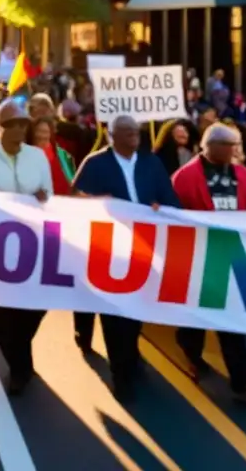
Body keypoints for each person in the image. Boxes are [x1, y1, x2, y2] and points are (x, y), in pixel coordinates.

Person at [72, 114, 179, 402]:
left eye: (137, 131)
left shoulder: (151, 163)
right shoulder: (95, 164)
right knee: (115, 316)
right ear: (113, 136)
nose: (135, 136)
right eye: (128, 132)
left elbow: (170, 200)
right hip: (110, 252)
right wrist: (97, 204)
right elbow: (74, 201)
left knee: (135, 314)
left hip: (145, 250)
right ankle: (122, 376)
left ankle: (130, 356)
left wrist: (161, 207)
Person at [171, 123, 246, 408]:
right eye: (229, 145)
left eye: (236, 145)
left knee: (232, 325)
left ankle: (242, 385)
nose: (234, 150)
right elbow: (173, 218)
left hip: (232, 257)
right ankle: (190, 349)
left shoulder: (243, 175)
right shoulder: (184, 178)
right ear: (211, 146)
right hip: (198, 258)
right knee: (196, 320)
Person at [0, 100, 52, 396]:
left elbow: (49, 195)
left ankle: (21, 351)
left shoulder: (38, 157)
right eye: (13, 124)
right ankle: (18, 368)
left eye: (23, 125)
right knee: (5, 315)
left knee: (37, 306)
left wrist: (43, 197)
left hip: (34, 245)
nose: (19, 130)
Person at [27, 116, 75, 196]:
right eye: (38, 131)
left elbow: (70, 180)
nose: (41, 135)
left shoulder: (61, 155)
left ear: (51, 134)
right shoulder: (25, 153)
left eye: (45, 132)